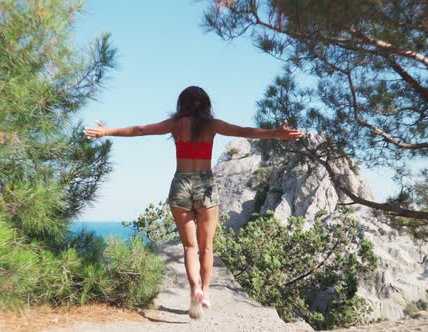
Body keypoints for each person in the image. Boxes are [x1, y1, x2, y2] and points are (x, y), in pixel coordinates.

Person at [83, 86, 303, 319]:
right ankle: (205, 291)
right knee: (206, 247)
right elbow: (245, 131)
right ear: (206, 104)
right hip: (205, 185)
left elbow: (140, 130)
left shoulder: (176, 124)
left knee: (189, 246)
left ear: (182, 104)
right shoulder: (213, 125)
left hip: (181, 184)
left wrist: (106, 132)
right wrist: (276, 133)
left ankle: (194, 290)